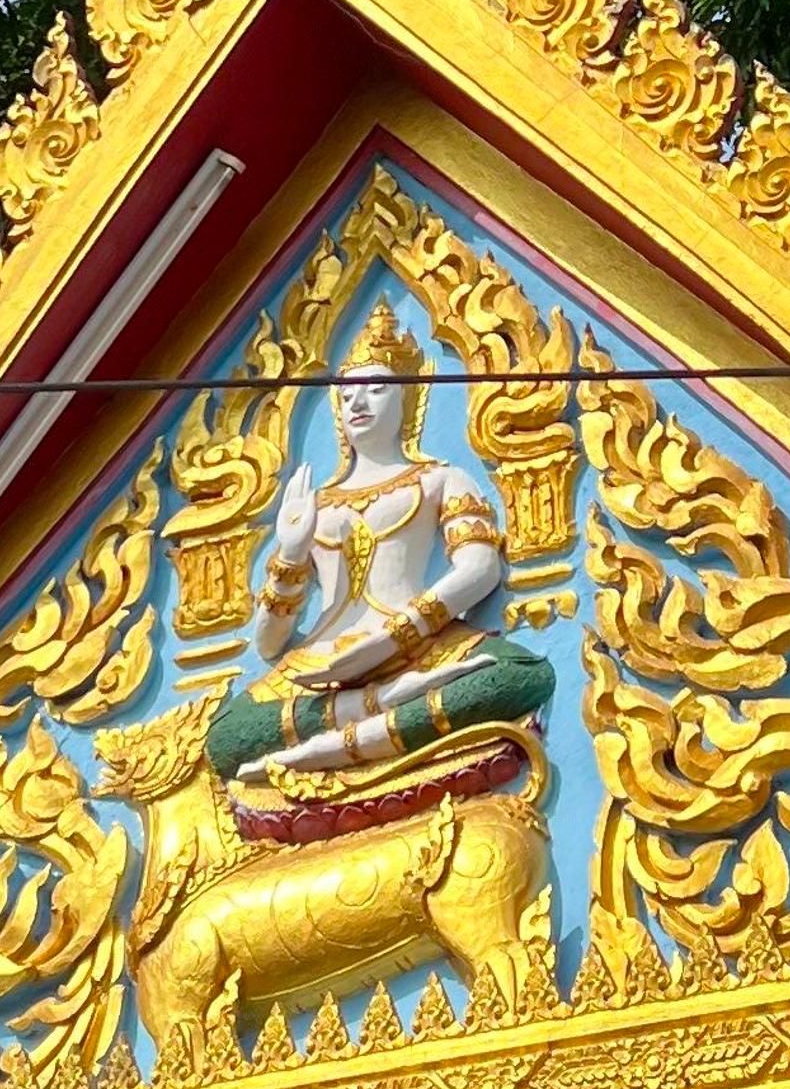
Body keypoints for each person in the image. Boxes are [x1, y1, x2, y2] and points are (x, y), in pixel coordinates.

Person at [207, 301, 551, 787]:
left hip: (415, 645)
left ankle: (333, 744)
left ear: (408, 401)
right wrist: (289, 549)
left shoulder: (438, 480)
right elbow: (268, 643)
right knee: (225, 737)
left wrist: (399, 635)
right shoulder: (316, 504)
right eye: (348, 396)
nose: (359, 404)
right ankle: (379, 711)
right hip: (323, 664)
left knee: (517, 674)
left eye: (376, 389)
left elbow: (480, 570)